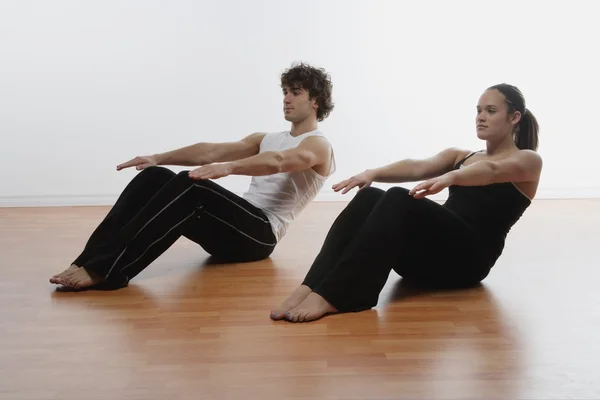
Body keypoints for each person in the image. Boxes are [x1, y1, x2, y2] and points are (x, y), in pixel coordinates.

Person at [50, 62, 336, 290]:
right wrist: (158, 158)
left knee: (193, 186)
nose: (286, 99)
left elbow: (280, 162)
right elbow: (209, 151)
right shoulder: (267, 137)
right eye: (285, 91)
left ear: (316, 102)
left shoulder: (318, 145)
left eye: (295, 93)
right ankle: (87, 261)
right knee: (156, 177)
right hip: (231, 229)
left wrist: (229, 167)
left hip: (259, 236)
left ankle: (108, 272)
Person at [271, 83, 543, 323]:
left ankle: (339, 295)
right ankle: (311, 285)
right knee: (371, 195)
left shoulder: (528, 160)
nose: (481, 117)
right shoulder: (463, 154)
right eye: (478, 110)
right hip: (427, 260)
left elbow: (492, 172)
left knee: (400, 198)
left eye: (491, 111)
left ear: (514, 117)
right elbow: (417, 167)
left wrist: (452, 176)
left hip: (466, 263)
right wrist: (372, 174)